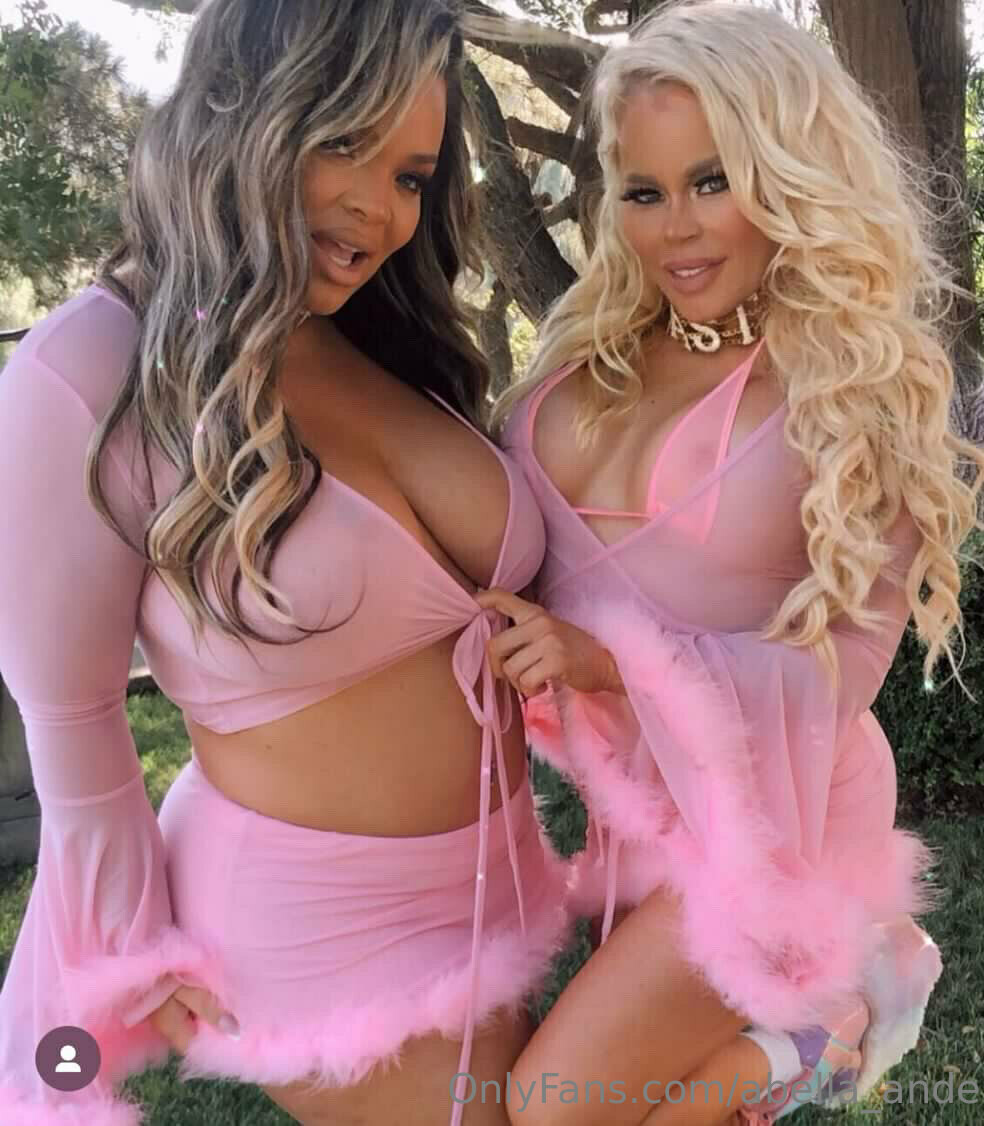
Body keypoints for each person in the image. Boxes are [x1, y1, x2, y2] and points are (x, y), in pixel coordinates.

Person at [0, 1, 572, 1123]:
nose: (381, 209)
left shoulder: (369, 331)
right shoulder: (88, 369)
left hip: (507, 878)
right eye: (344, 142)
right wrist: (132, 950)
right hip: (316, 935)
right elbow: (72, 713)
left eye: (411, 176)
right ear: (241, 112)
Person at [480, 2, 984, 1122]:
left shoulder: (854, 392)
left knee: (554, 1109)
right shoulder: (579, 365)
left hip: (780, 827)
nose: (678, 229)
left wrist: (609, 664)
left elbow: (842, 673)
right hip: (635, 817)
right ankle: (790, 1047)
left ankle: (809, 1035)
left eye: (713, 181)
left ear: (789, 172)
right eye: (645, 192)